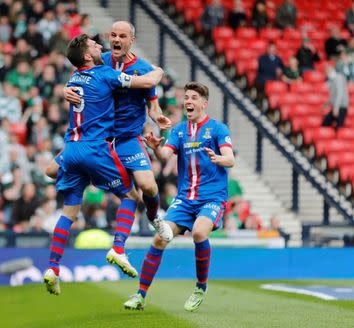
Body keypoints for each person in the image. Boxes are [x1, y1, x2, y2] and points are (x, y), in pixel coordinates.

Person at [43, 34, 164, 295]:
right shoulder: (104, 74)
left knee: (68, 211)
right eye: (94, 44)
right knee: (131, 195)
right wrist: (159, 70)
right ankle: (119, 248)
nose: (101, 45)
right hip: (95, 148)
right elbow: (148, 80)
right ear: (87, 56)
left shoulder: (74, 78)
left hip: (71, 148)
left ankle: (53, 268)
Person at [123, 82, 235, 312]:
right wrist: (155, 147)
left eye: (194, 98)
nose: (188, 102)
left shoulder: (217, 129)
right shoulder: (180, 130)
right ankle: (140, 295)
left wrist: (218, 159)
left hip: (211, 197)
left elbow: (230, 159)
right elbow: (165, 154)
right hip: (185, 199)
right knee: (159, 239)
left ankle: (200, 287)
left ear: (204, 103)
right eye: (186, 97)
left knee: (199, 232)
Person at [61, 21, 174, 243]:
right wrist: (66, 90)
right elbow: (78, 75)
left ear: (131, 40)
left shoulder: (141, 68)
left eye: (122, 36)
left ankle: (154, 218)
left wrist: (157, 116)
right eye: (113, 35)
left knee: (148, 186)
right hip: (97, 138)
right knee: (51, 170)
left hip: (127, 138)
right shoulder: (100, 60)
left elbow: (152, 104)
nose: (116, 40)